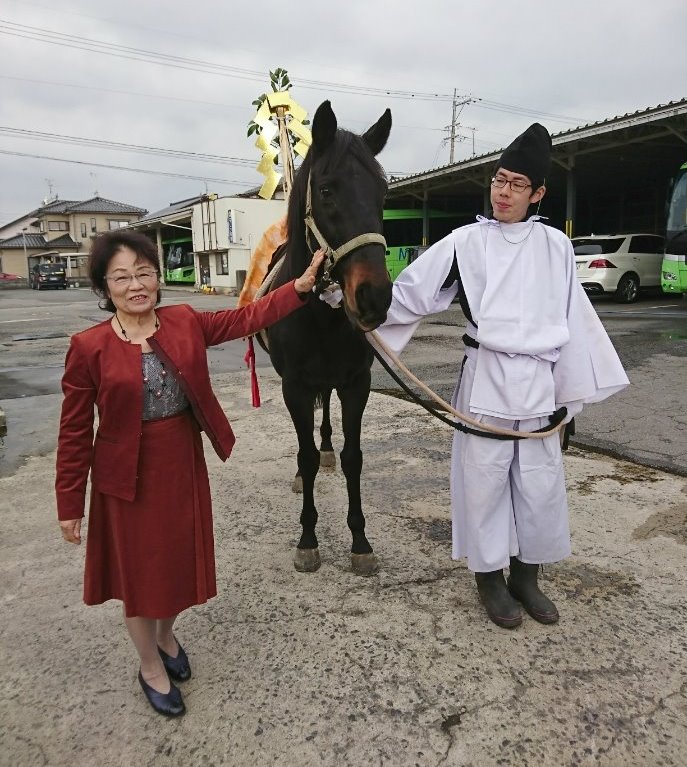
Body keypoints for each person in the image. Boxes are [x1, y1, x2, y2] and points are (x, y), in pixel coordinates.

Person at [56, 229, 324, 716]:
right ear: (103, 286)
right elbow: (74, 432)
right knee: (138, 578)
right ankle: (149, 665)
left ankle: (166, 634)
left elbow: (246, 317)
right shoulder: (88, 347)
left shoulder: (182, 321)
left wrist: (299, 287)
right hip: (124, 479)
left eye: (144, 273)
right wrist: (69, 504)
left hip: (180, 460)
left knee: (178, 562)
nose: (136, 285)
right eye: (122, 277)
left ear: (156, 278)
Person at [374, 123, 629, 629]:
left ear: (537, 194)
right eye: (498, 180)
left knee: (539, 485)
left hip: (539, 387)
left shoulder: (556, 246)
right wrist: (351, 298)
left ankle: (526, 576)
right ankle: (489, 577)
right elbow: (408, 295)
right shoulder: (465, 242)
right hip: (486, 379)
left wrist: (570, 396)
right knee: (485, 481)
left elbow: (573, 320)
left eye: (516, 184)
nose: (503, 192)